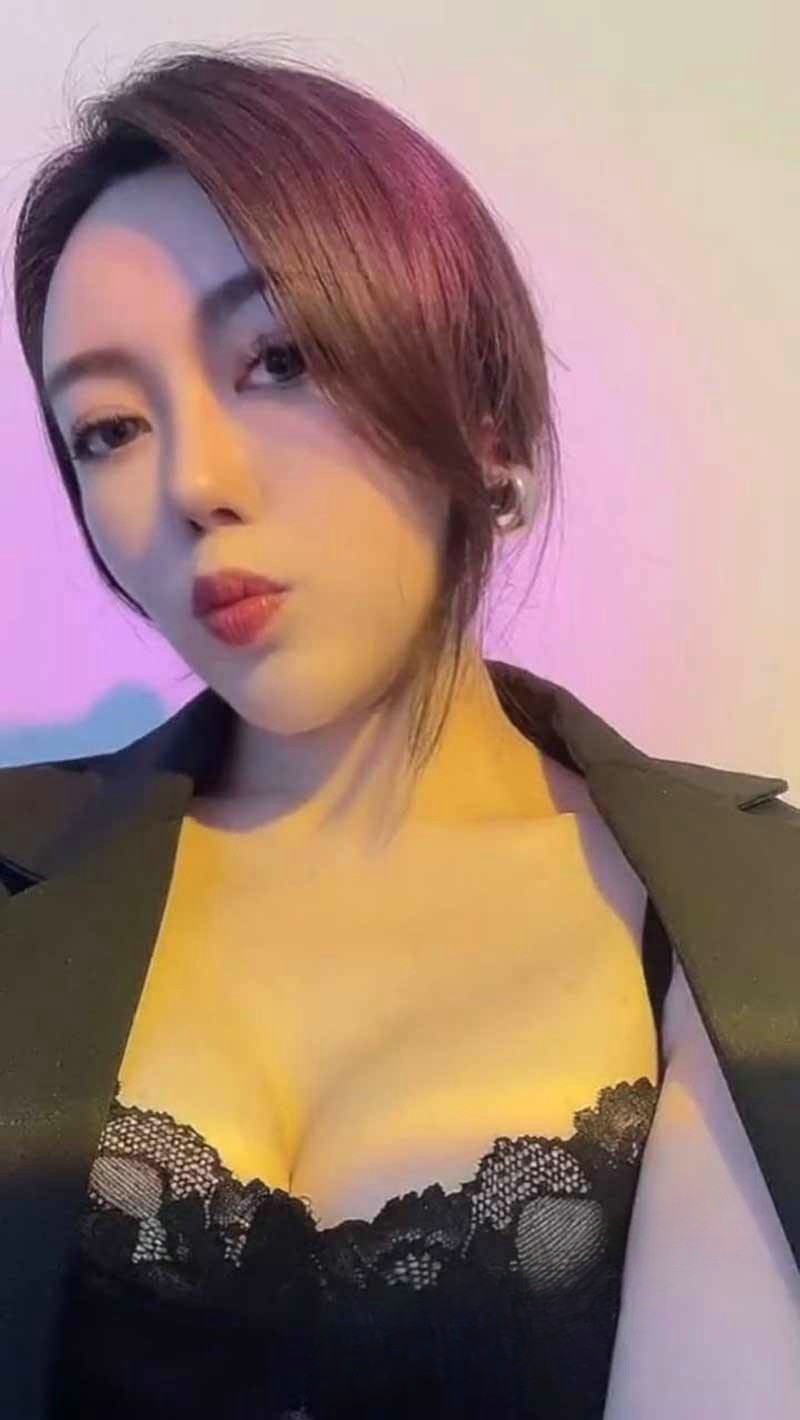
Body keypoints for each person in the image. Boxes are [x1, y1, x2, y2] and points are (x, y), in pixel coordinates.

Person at [3, 41, 799, 1420]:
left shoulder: (749, 910)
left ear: (485, 425)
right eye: (111, 430)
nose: (193, 483)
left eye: (278, 359)